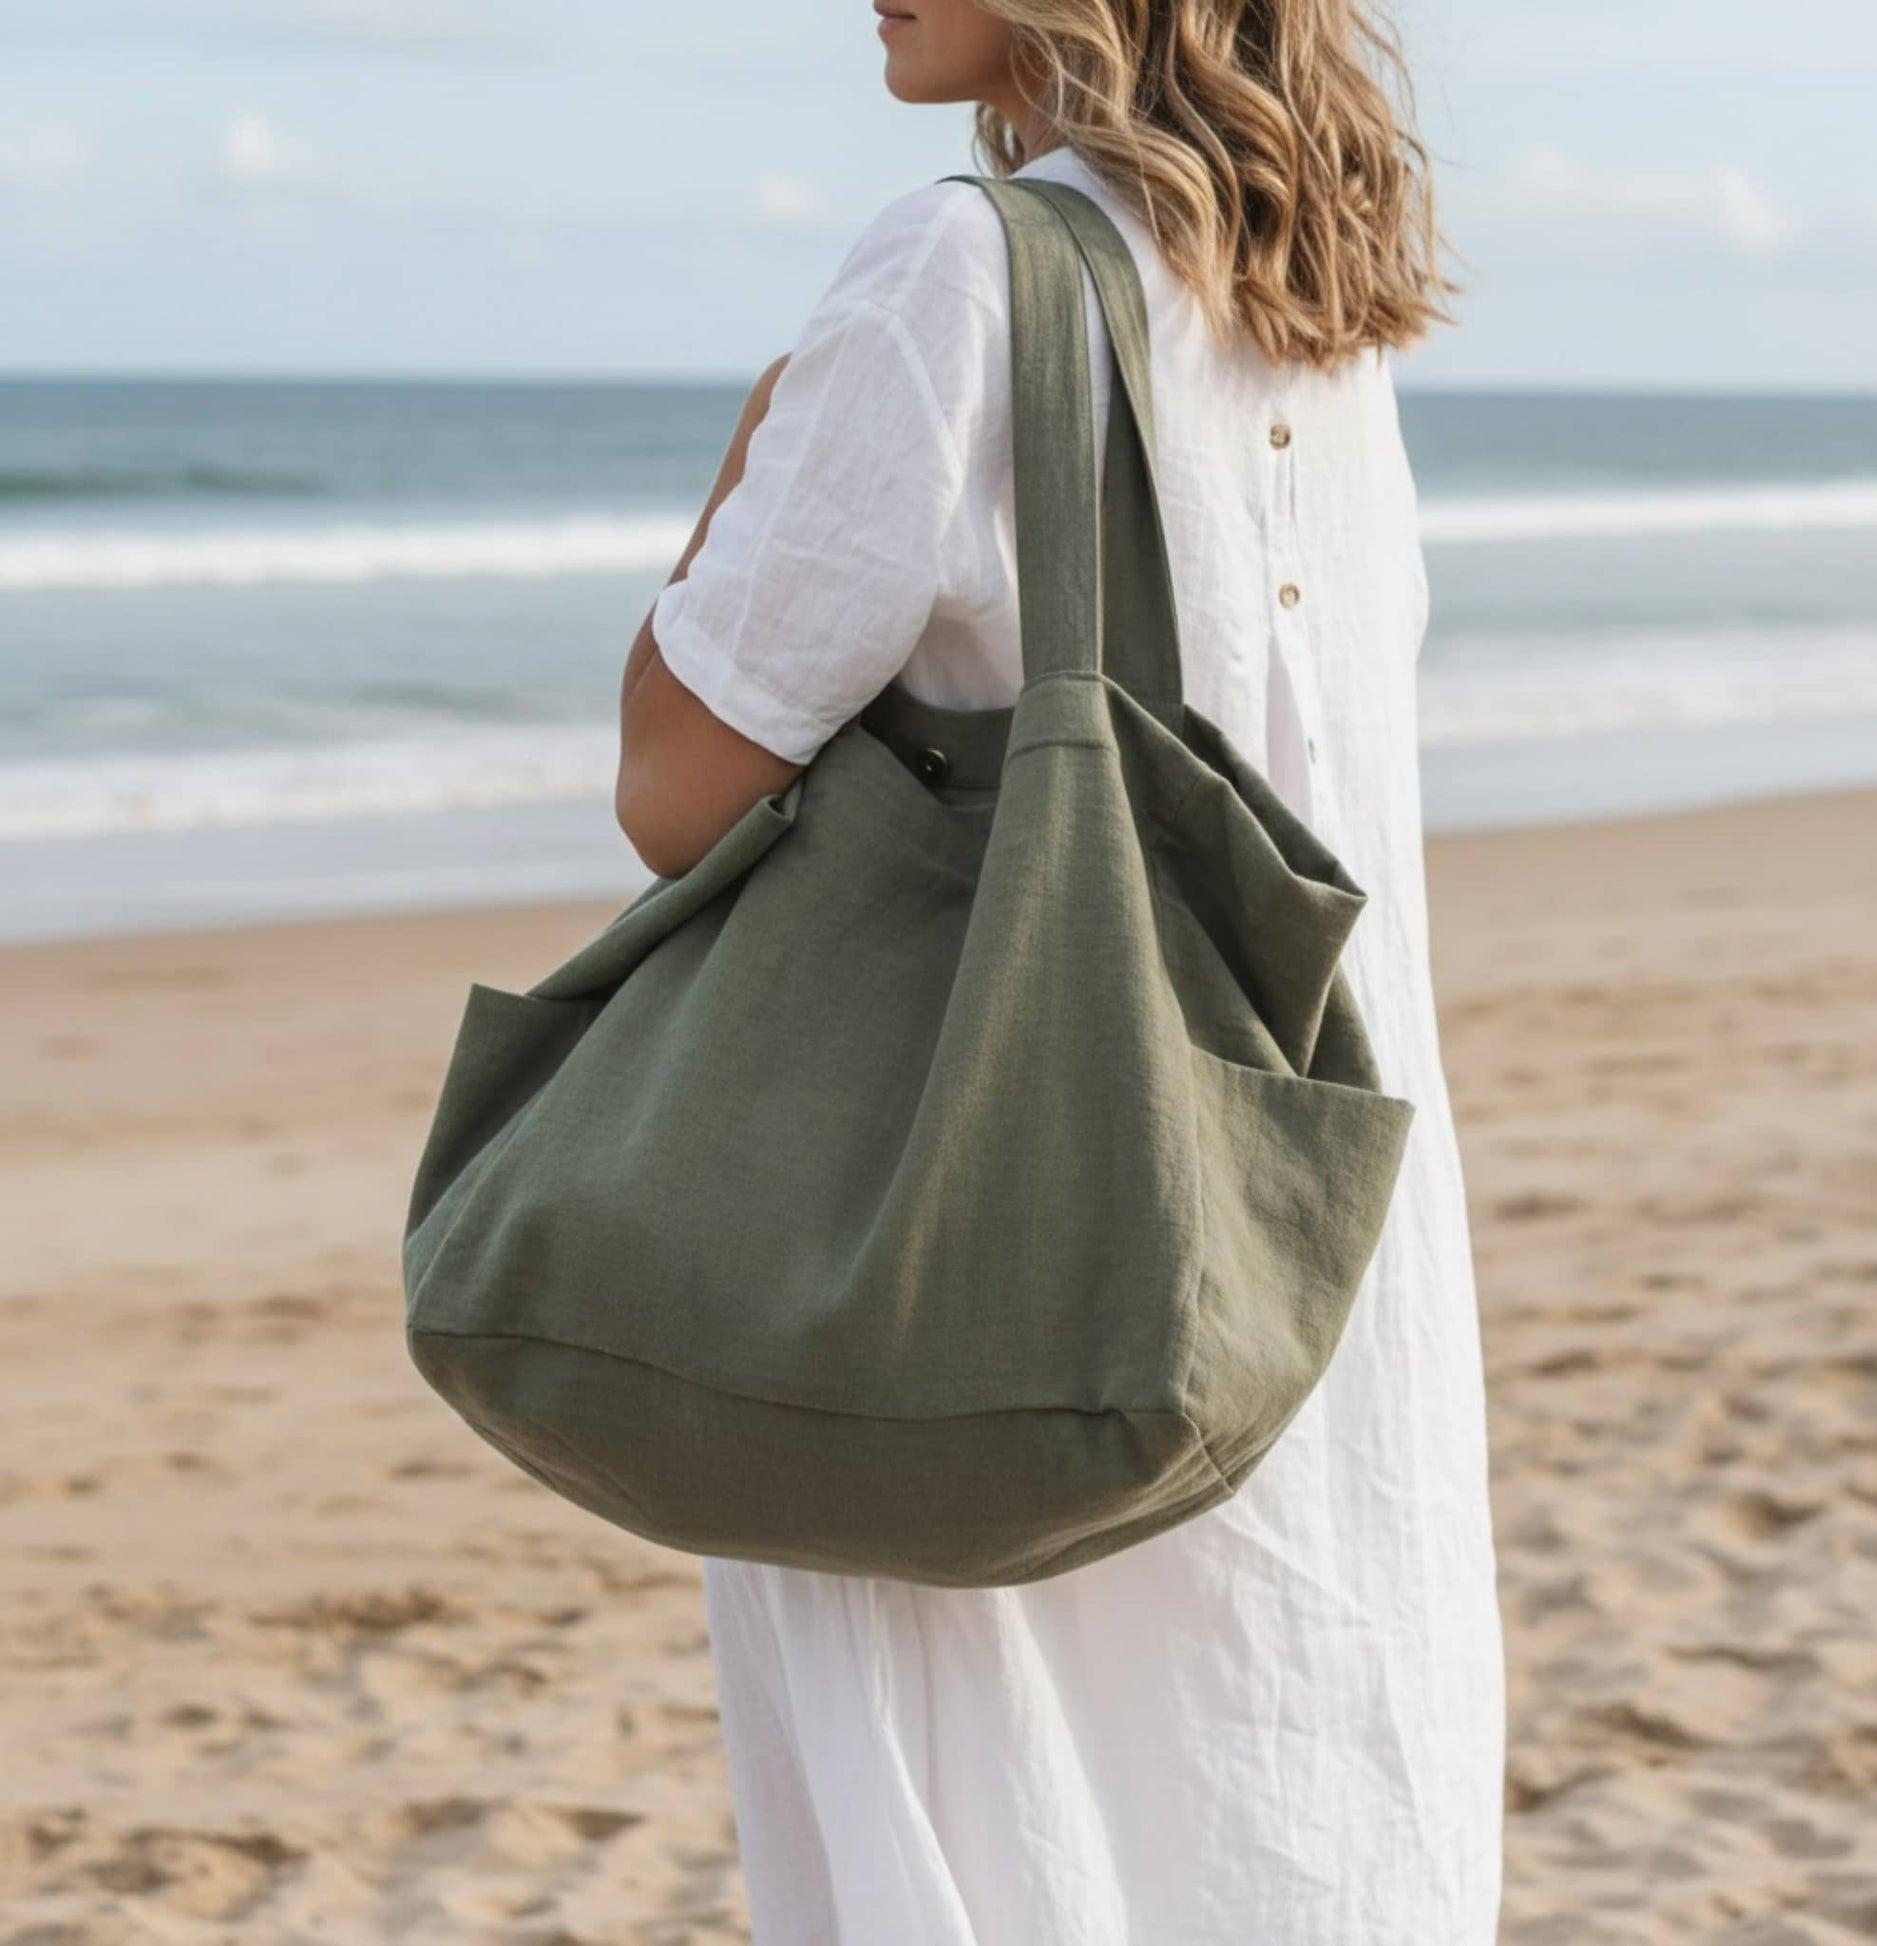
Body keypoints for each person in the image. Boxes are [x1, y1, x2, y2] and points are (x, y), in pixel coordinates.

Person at [613, 1, 1505, 1938]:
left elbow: (676, 785)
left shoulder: (960, 267)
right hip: (1288, 1240)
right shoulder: (1313, 309)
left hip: (997, 1248)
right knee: (1272, 1816)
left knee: (989, 1823)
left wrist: (755, 447)